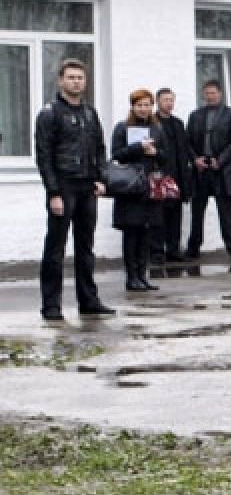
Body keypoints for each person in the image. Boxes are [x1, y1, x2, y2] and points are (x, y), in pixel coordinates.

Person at [34, 59, 115, 321]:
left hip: (87, 186)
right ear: (60, 80)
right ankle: (51, 305)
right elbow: (44, 156)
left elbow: (100, 149)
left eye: (80, 77)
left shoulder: (90, 114)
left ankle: (89, 301)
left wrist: (101, 178)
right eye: (70, 77)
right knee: (55, 249)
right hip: (64, 186)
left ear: (85, 81)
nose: (76, 82)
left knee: (86, 247)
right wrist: (53, 193)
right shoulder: (50, 113)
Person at [111, 89, 167, 291]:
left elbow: (166, 157)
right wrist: (137, 148)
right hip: (129, 186)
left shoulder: (156, 129)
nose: (143, 109)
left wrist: (155, 152)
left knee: (146, 231)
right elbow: (116, 155)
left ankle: (143, 276)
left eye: (147, 105)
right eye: (139, 105)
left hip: (149, 186)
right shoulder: (122, 128)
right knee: (131, 232)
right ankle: (131, 276)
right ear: (132, 107)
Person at [185, 80, 231, 267]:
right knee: (197, 211)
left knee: (226, 212)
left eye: (213, 93)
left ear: (220, 94)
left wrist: (221, 160)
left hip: (222, 170)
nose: (210, 96)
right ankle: (193, 249)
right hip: (201, 170)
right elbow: (187, 142)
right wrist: (195, 159)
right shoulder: (195, 116)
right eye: (207, 93)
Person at [149, 88, 192, 263]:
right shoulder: (152, 122)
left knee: (175, 214)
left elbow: (183, 150)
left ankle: (174, 249)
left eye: (171, 100)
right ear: (158, 101)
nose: (169, 103)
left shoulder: (178, 123)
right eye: (165, 99)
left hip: (177, 175)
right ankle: (157, 251)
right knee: (158, 215)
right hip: (159, 174)